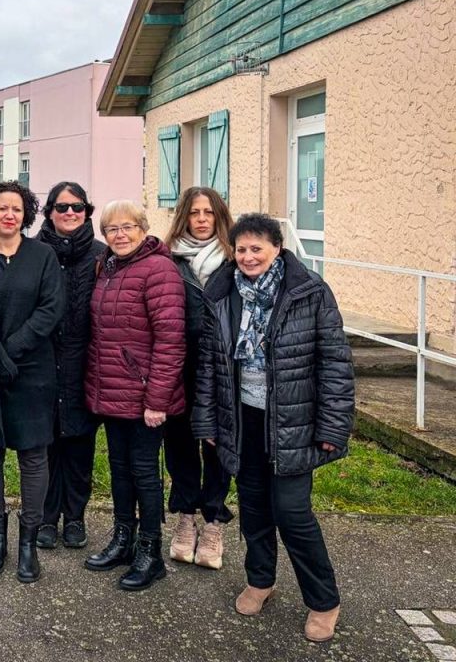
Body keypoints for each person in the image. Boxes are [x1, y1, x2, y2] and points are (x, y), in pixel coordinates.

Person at [193, 213, 354, 643]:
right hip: (242, 418)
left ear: (277, 249)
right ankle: (260, 580)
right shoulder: (222, 292)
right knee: (254, 507)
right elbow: (209, 364)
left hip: (294, 420)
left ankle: (324, 601)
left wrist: (333, 426)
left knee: (292, 512)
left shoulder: (309, 292)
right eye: (241, 249)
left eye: (256, 249)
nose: (248, 257)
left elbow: (335, 363)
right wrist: (207, 420)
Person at [0, 181, 64, 583]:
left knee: (34, 457)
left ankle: (27, 545)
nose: (9, 214)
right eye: (2, 208)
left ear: (26, 215)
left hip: (33, 372)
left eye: (17, 209)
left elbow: (50, 309)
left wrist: (12, 350)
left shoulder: (43, 256)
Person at [84, 200, 185, 591]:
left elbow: (171, 340)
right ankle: (123, 538)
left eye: (128, 227)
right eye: (112, 229)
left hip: (145, 396)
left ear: (144, 229)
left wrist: (157, 399)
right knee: (120, 469)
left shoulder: (159, 269)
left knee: (144, 473)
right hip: (112, 391)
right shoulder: (108, 268)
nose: (120, 235)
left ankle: (150, 551)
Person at [163, 187, 234, 568]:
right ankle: (186, 516)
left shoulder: (235, 259)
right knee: (180, 444)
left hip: (223, 368)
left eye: (208, 212)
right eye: (194, 213)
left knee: (218, 445)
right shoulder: (168, 258)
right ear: (184, 218)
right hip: (180, 364)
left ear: (219, 216)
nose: (202, 219)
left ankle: (213, 521)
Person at [35, 182, 105, 551]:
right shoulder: (33, 252)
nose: (70, 213)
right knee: (45, 445)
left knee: (79, 445)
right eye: (62, 207)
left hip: (86, 363)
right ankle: (46, 518)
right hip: (43, 362)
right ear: (49, 212)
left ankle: (75, 516)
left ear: (87, 212)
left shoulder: (102, 255)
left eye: (77, 207)